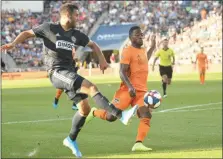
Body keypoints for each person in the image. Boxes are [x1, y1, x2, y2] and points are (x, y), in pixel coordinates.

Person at [0, 3, 138, 158]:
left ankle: (71, 139)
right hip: (56, 72)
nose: (79, 18)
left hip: (69, 73)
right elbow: (26, 33)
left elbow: (93, 45)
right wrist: (13, 44)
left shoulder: (76, 34)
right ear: (67, 15)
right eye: (76, 15)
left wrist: (102, 59)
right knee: (91, 87)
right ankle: (121, 115)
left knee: (84, 110)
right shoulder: (49, 28)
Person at [85, 26, 156, 152]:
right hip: (127, 91)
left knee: (146, 114)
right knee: (111, 117)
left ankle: (138, 143)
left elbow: (145, 59)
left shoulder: (143, 50)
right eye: (137, 35)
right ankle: (95, 112)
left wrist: (153, 46)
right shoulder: (128, 51)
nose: (141, 36)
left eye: (141, 34)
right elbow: (122, 72)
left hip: (142, 92)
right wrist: (130, 86)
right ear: (131, 38)